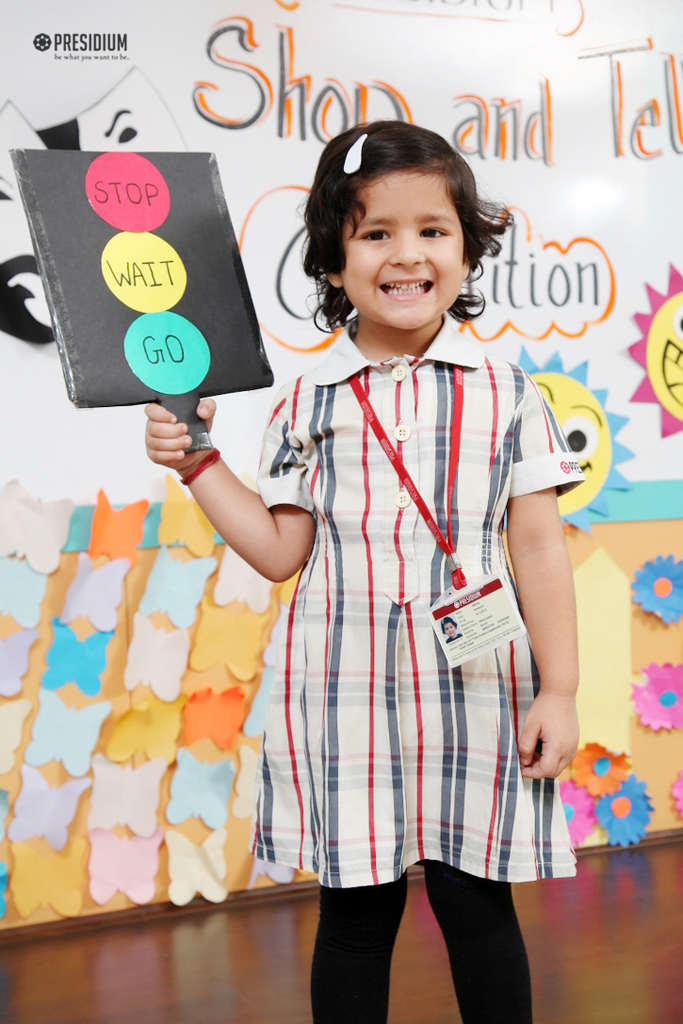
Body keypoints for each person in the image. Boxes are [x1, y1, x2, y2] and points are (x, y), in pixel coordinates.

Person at [145, 120, 582, 1024]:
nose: (406, 254)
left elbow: (538, 545)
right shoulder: (307, 401)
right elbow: (279, 552)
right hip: (344, 693)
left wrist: (561, 689)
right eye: (375, 232)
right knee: (355, 916)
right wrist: (196, 460)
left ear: (466, 249)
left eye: (432, 229)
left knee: (477, 906)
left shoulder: (509, 393)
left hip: (477, 686)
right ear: (332, 261)